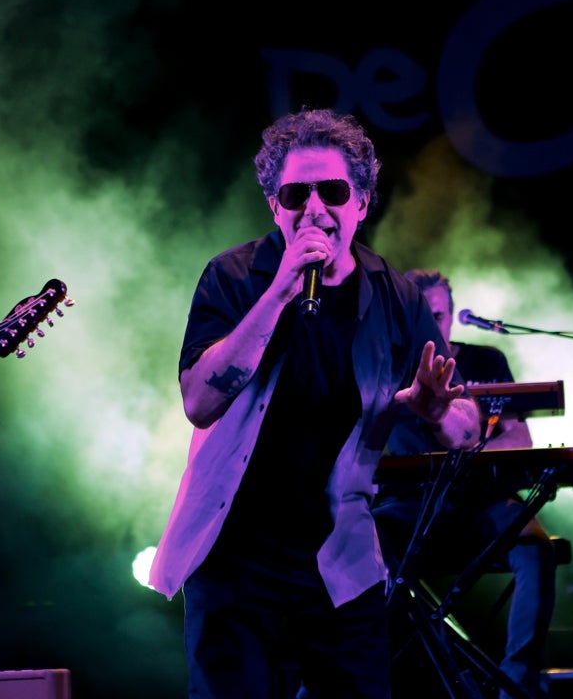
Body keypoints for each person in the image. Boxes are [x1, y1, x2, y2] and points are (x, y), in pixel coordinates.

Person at [147, 108, 482, 699]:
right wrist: (279, 288)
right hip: (234, 564)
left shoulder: (394, 297)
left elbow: (465, 428)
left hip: (340, 564)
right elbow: (200, 401)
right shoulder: (234, 277)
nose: (314, 208)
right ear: (274, 206)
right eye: (295, 194)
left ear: (361, 201)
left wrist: (434, 411)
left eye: (332, 191)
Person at [373, 269, 556, 699]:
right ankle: (456, 680)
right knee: (361, 545)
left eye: (440, 315)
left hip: (484, 500)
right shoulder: (387, 364)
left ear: (452, 315)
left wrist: (467, 445)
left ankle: (516, 684)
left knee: (535, 545)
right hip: (408, 505)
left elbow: (520, 438)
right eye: (423, 316)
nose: (434, 326)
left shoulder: (487, 361)